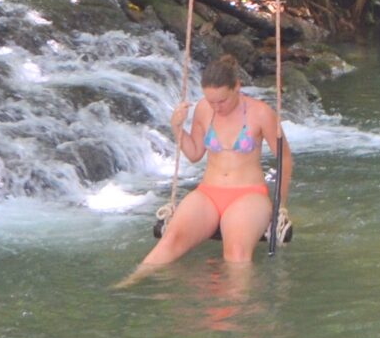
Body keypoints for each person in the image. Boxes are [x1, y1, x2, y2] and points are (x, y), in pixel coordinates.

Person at [124, 53, 291, 278]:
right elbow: (194, 153)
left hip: (249, 194)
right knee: (171, 239)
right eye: (211, 101)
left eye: (222, 101)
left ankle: (238, 308)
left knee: (236, 254)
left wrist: (280, 207)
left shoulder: (261, 113)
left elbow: (285, 159)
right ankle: (131, 283)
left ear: (237, 87)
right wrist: (177, 129)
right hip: (208, 192)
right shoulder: (204, 109)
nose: (217, 107)